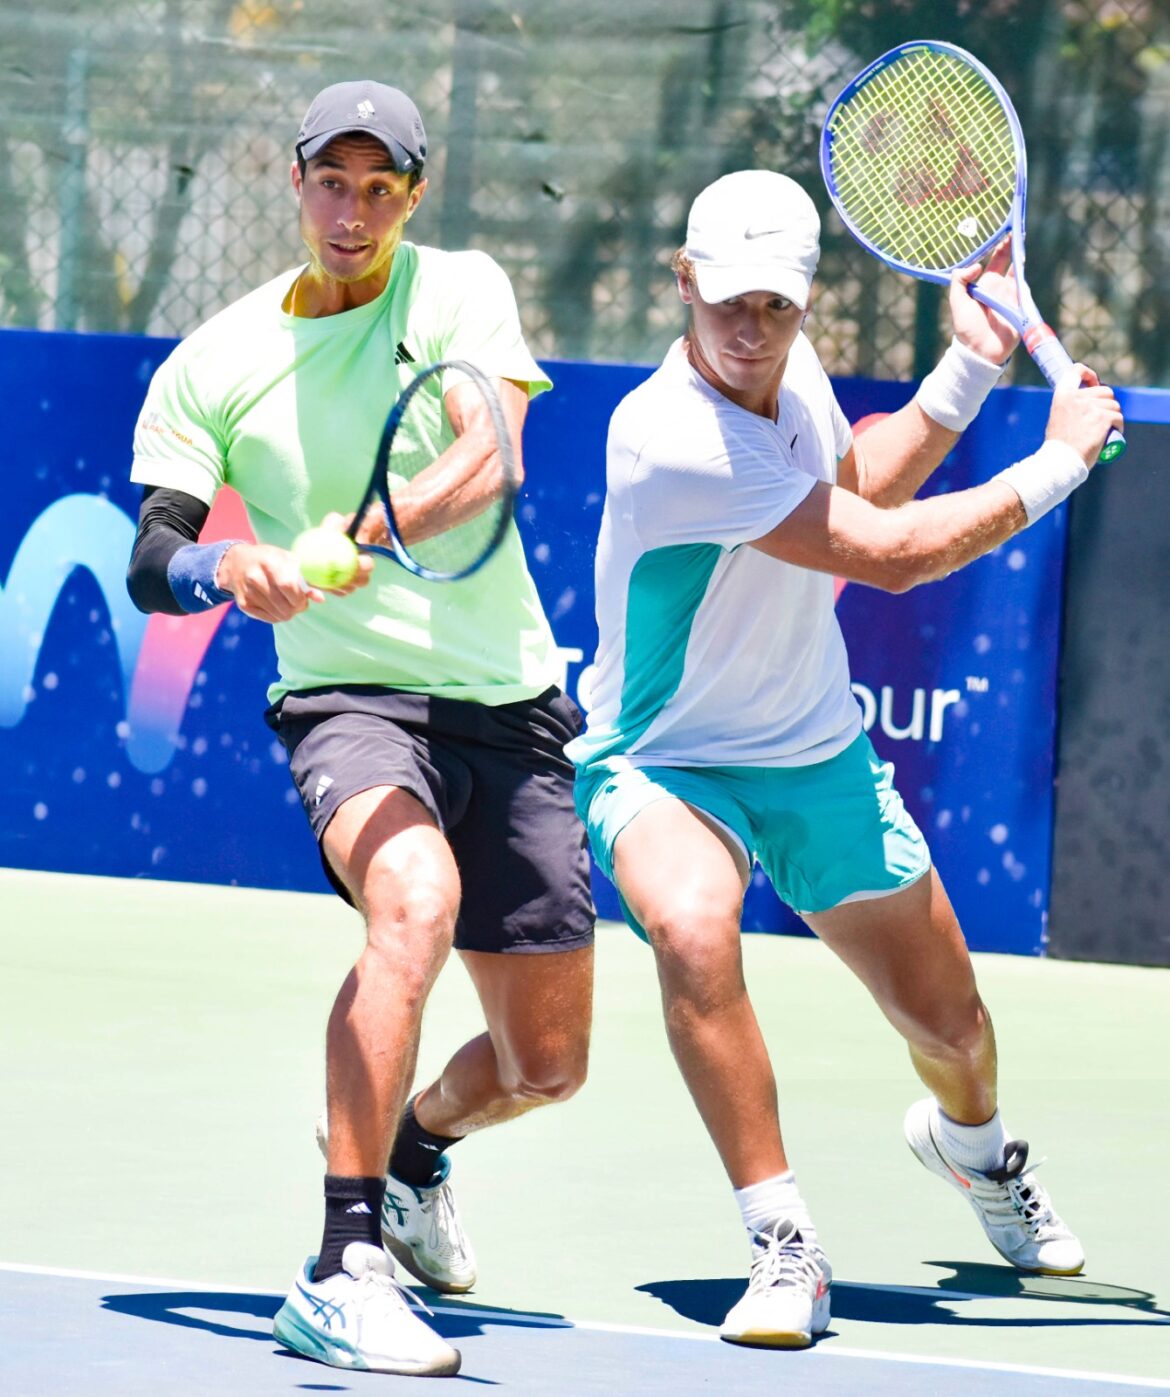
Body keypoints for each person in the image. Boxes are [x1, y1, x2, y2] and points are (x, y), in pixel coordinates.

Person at [568, 169, 1122, 1350]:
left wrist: (968, 369)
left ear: (805, 301)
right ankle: (784, 1240)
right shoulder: (669, 437)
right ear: (683, 280)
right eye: (728, 299)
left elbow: (853, 488)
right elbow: (890, 553)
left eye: (775, 304)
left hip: (814, 748)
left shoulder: (789, 372)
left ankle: (975, 1150)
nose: (750, 326)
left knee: (954, 1030)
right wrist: (1059, 462)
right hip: (663, 760)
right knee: (693, 927)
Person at [126, 80, 594, 1377]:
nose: (351, 211)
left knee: (547, 1062)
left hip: (508, 701)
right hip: (348, 702)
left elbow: (491, 453)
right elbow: (151, 557)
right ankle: (341, 1265)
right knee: (414, 901)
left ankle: (413, 1151)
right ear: (294, 182)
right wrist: (229, 569)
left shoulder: (457, 290)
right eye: (330, 182)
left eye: (378, 187)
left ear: (412, 195)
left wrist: (359, 535)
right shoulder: (214, 361)